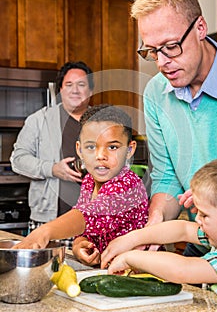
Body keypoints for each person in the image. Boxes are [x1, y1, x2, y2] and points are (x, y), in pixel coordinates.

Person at [131, 0, 217, 256]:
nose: (162, 62)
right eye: (152, 51)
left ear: (200, 28)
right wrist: (155, 224)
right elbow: (166, 177)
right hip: (200, 236)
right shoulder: (155, 93)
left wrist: (215, 192)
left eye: (171, 46)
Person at [13, 104, 149, 267]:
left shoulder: (127, 184)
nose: (100, 156)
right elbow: (86, 228)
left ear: (129, 150)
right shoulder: (89, 182)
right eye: (91, 147)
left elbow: (88, 215)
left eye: (112, 147)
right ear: (79, 149)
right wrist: (79, 244)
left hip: (138, 275)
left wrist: (44, 232)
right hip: (107, 272)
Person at [101, 155, 217, 300]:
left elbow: (182, 270)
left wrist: (130, 258)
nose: (196, 219)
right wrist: (132, 238)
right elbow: (183, 229)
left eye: (204, 215)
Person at [10, 61, 94, 247]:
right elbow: (18, 159)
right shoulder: (39, 120)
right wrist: (53, 169)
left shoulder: (101, 123)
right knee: (44, 273)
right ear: (60, 90)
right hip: (48, 222)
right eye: (69, 85)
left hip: (92, 221)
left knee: (90, 273)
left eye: (81, 85)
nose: (75, 90)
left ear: (90, 92)